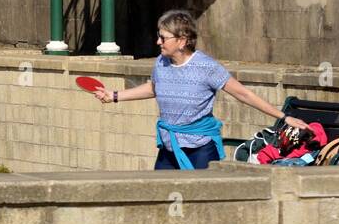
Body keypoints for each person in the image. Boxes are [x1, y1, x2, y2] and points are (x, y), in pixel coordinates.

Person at [89, 9, 307, 170]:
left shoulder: (207, 67)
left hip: (200, 150)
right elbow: (154, 88)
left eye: (163, 37)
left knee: (201, 206)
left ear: (182, 41)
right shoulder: (160, 63)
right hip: (168, 148)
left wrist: (283, 117)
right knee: (159, 201)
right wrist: (114, 96)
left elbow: (243, 93)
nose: (158, 41)